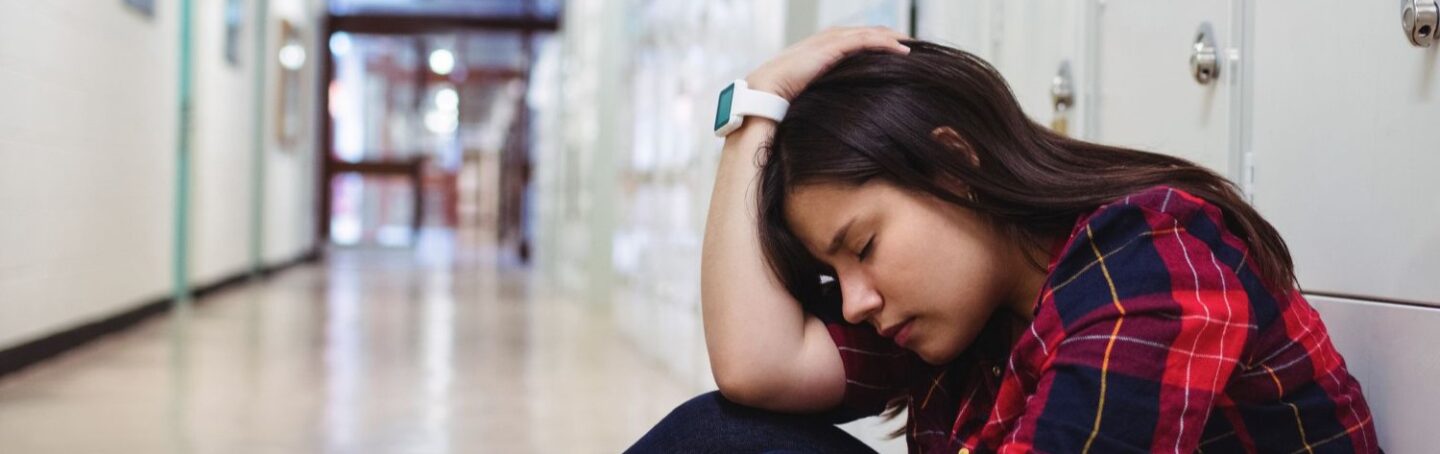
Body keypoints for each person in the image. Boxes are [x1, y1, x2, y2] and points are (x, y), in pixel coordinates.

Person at [628, 27, 1378, 453]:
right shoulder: (971, 316)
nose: (856, 300)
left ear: (956, 166)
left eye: (861, 247)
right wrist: (756, 109)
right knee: (719, 434)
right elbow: (755, 369)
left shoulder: (1152, 258)